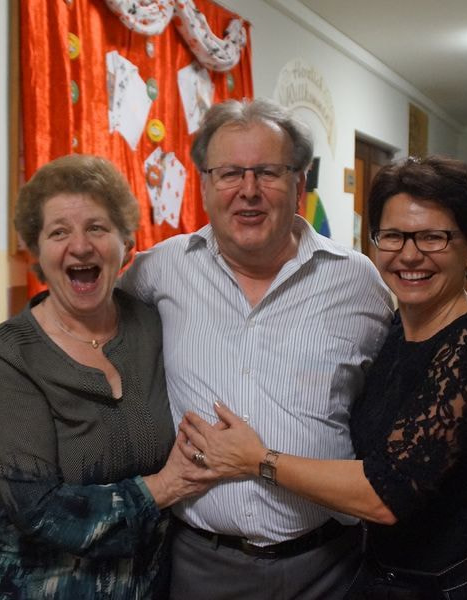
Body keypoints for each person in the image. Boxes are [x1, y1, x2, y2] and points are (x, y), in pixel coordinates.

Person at [179, 156, 467, 599]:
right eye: (393, 235)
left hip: (457, 587)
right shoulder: (394, 329)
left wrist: (257, 459)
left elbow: (385, 494)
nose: (409, 254)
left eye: (433, 237)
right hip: (384, 575)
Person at [118, 98, 395, 598]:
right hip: (202, 565)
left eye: (267, 172)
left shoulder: (357, 282)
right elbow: (86, 327)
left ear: (299, 183)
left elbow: (409, 390)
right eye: (229, 173)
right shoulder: (160, 270)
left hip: (330, 567)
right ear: (204, 184)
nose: (248, 191)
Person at [0, 154, 209, 599]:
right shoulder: (7, 353)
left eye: (97, 228)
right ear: (37, 251)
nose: (80, 246)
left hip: (150, 584)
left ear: (126, 243)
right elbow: (38, 509)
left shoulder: (152, 326)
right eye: (59, 232)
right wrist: (164, 487)